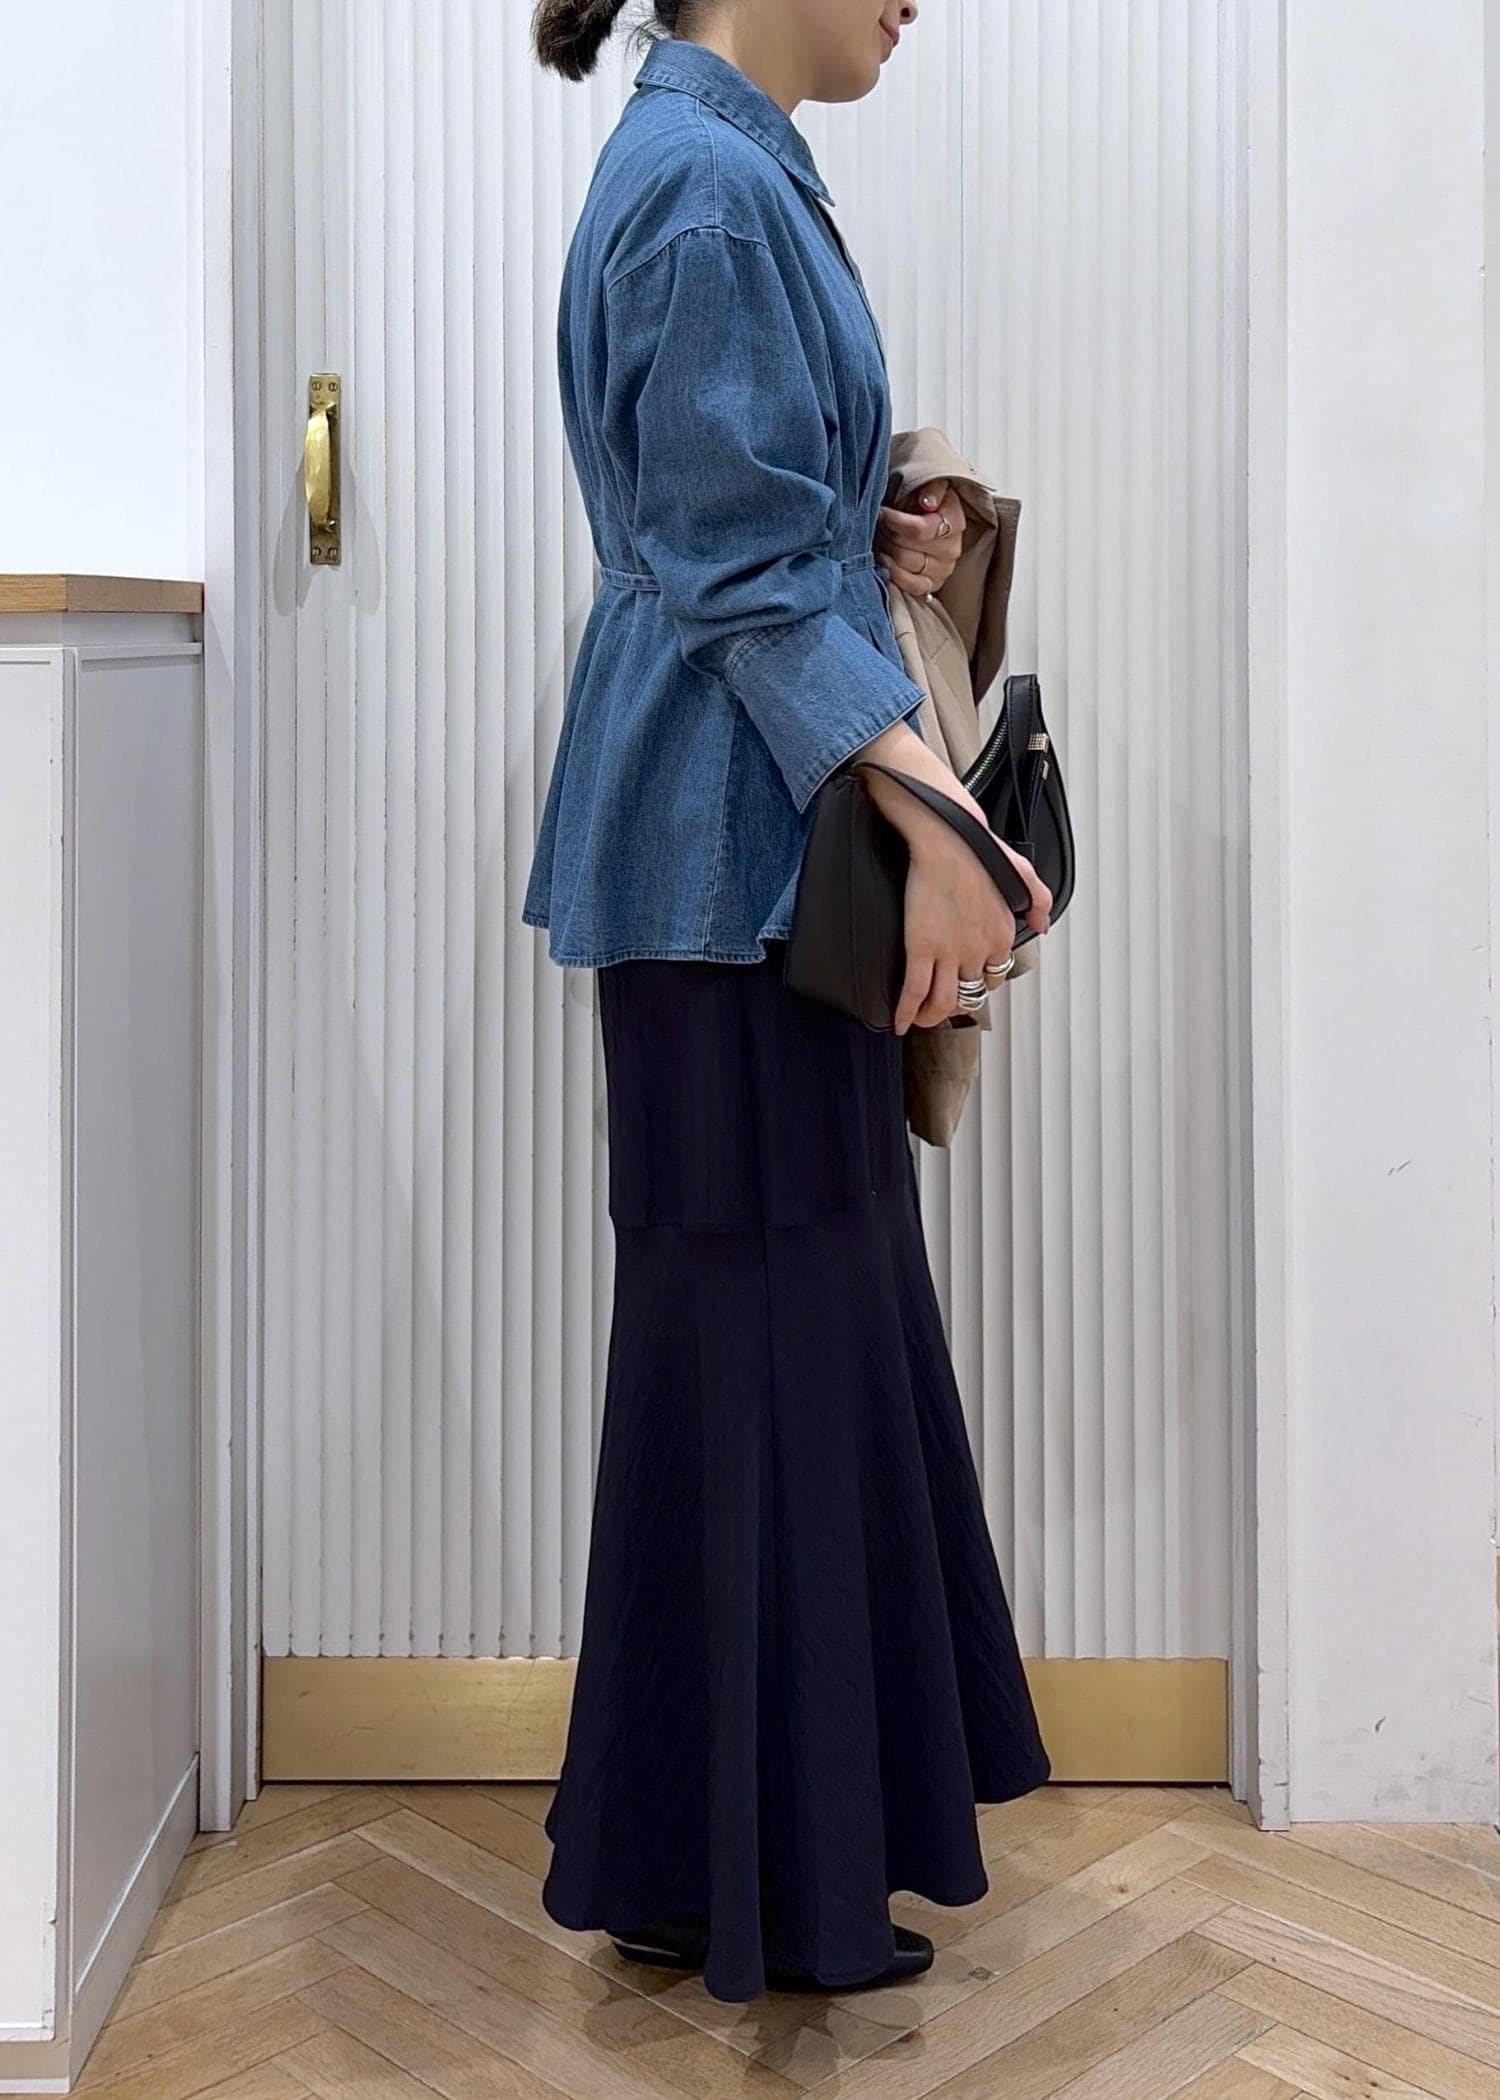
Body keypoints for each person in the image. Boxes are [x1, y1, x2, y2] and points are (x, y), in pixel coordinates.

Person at [525, 0, 1054, 2005]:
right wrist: (938, 820)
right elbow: (733, 575)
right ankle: (760, 1878)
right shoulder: (704, 188)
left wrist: (881, 525)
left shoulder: (725, 171)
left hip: (746, 862)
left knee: (759, 1359)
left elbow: (748, 530)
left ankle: (720, 1864)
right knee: (760, 1355)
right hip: (733, 865)